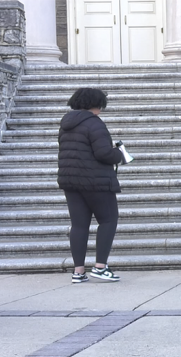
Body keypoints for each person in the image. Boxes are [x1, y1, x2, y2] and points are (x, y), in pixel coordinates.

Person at [58, 88, 123, 283]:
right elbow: (103, 153)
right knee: (108, 220)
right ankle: (100, 267)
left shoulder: (66, 123)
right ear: (96, 104)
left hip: (71, 180)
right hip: (96, 181)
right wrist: (119, 155)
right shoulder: (94, 124)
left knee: (79, 225)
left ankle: (78, 271)